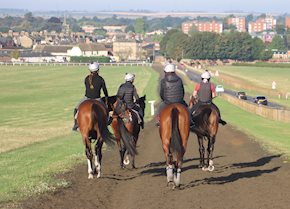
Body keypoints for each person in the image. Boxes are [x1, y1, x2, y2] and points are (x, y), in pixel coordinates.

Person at [72, 62, 109, 131]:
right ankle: (107, 122)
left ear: (90, 70)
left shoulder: (86, 78)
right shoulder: (101, 79)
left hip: (86, 98)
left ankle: (76, 124)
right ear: (98, 70)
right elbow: (104, 90)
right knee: (105, 109)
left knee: (76, 109)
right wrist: (106, 97)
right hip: (97, 99)